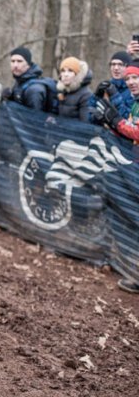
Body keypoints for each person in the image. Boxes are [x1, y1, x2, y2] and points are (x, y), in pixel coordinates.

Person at [92, 62, 139, 294]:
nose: (131, 82)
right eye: (128, 79)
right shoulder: (135, 104)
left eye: (135, 78)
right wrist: (111, 121)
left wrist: (114, 120)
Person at [3, 46, 57, 113]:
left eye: (19, 61)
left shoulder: (34, 90)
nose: (15, 65)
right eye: (12, 61)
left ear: (28, 64)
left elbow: (33, 120)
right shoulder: (20, 81)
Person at [89, 51, 134, 121]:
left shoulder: (133, 89)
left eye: (120, 64)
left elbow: (128, 119)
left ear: (128, 67)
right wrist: (96, 96)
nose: (116, 68)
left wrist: (115, 95)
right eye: (113, 64)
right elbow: (88, 111)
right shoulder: (106, 86)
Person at [56, 56, 92, 122]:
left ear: (77, 74)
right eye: (63, 71)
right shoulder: (62, 91)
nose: (65, 74)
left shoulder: (86, 95)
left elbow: (85, 124)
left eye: (70, 71)